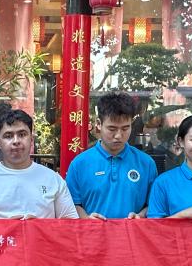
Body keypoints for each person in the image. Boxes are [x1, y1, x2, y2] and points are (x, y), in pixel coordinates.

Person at [0, 108, 78, 219]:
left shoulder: (53, 180)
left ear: (31, 140)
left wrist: (38, 226)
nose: (16, 141)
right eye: (8, 136)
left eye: (22, 135)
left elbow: (71, 226)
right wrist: (6, 228)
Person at [66, 91, 156, 219]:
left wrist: (140, 216)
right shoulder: (80, 164)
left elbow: (153, 203)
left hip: (132, 231)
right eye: (112, 129)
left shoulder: (146, 163)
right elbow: (72, 204)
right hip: (93, 231)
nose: (118, 135)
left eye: (125, 128)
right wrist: (87, 219)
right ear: (99, 124)